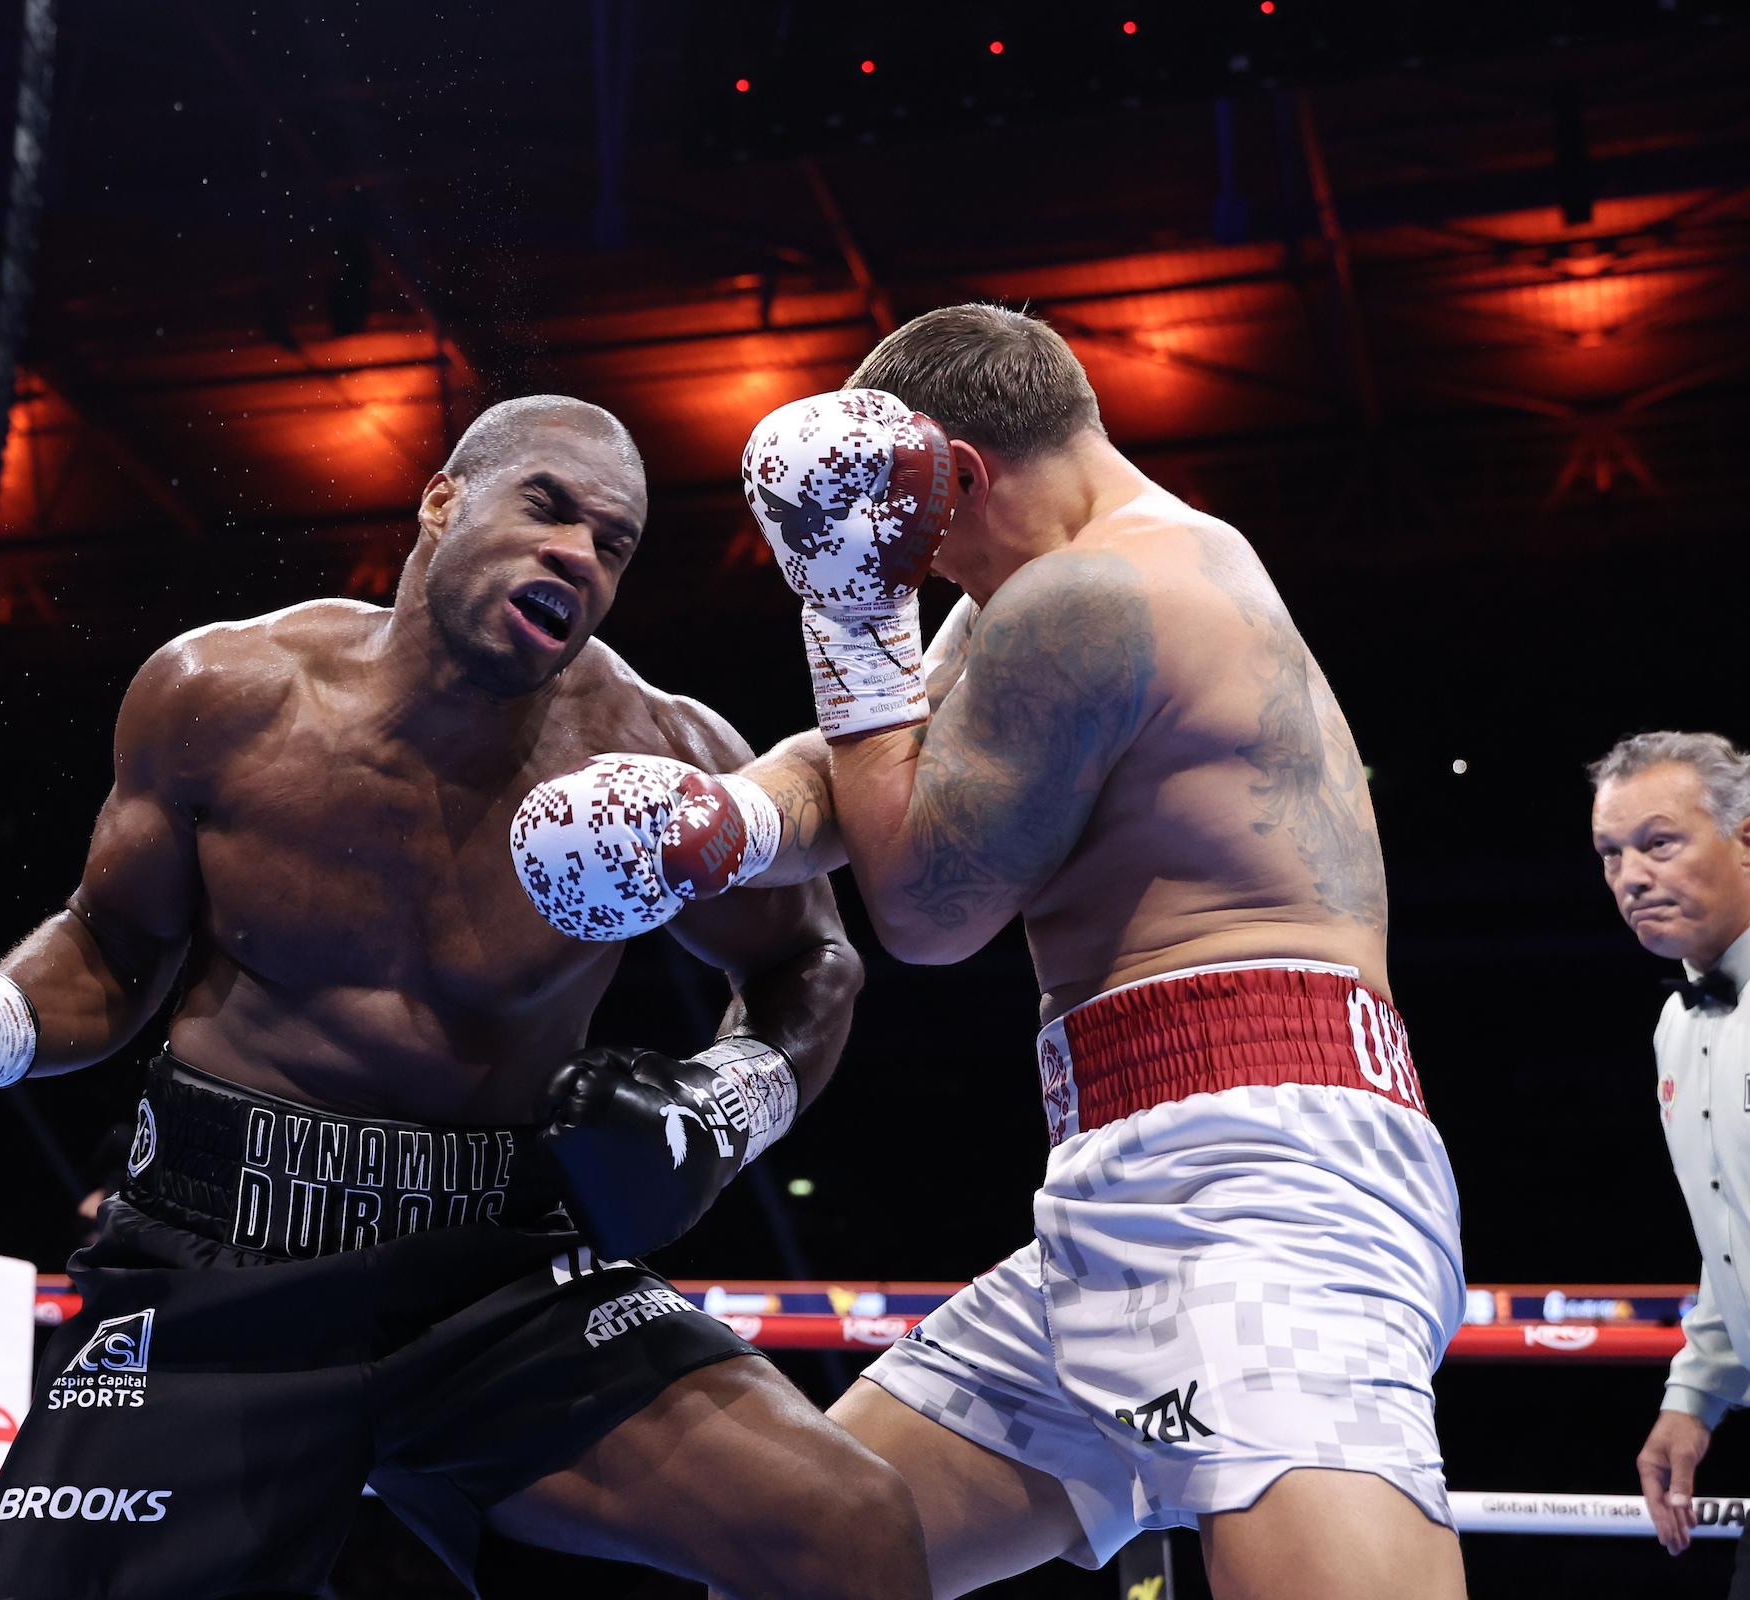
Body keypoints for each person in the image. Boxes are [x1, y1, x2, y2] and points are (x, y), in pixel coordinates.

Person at [0, 394, 927, 1600]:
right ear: (442, 500)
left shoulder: (655, 762)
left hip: (494, 1278)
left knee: (848, 1524)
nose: (579, 556)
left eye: (614, 544)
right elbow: (113, 940)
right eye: (548, 507)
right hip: (215, 1263)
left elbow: (810, 965)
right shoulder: (226, 693)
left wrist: (719, 1108)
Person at [510, 308, 1466, 1597]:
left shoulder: (1101, 592)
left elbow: (926, 911)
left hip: (1261, 1190)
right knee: (818, 1551)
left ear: (951, 473)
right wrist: (719, 821)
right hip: (1122, 1182)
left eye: (915, 533)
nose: (923, 567)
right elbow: (877, 762)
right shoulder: (1052, 586)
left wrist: (852, 607)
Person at [1590, 732, 1750, 1579]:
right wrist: (1695, 1395)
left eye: (1659, 842)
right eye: (1610, 854)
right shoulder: (1678, 1027)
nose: (1630, 878)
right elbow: (1733, 1232)